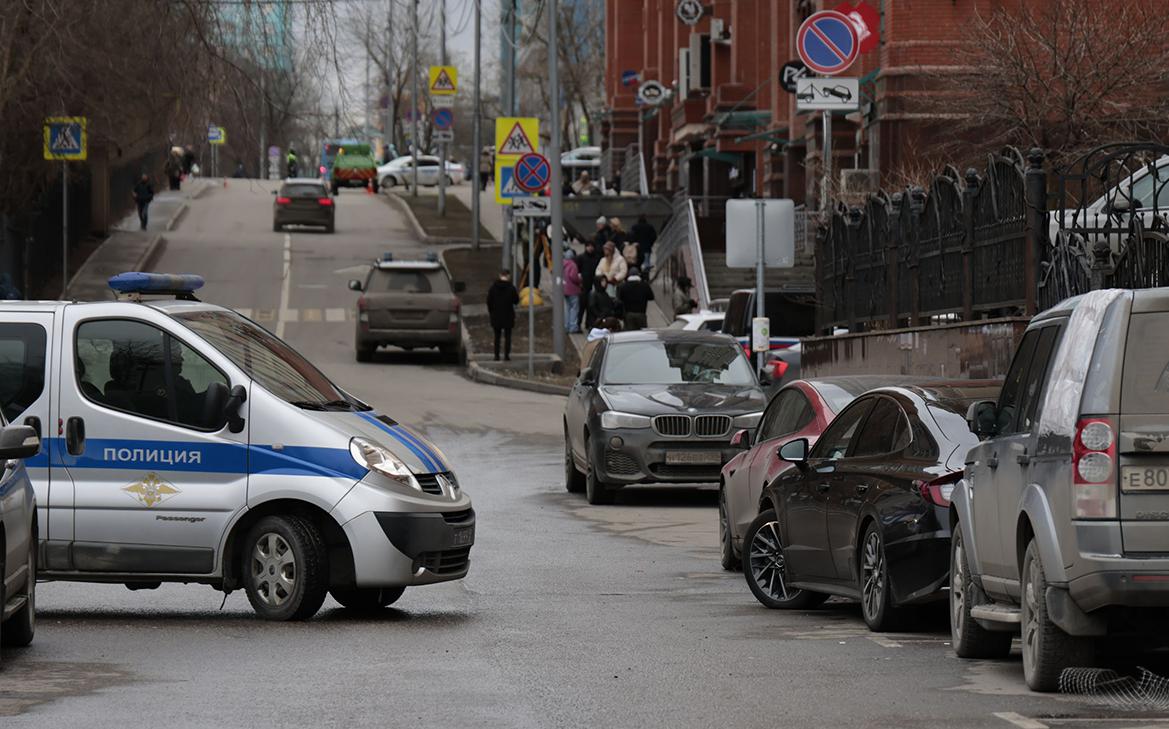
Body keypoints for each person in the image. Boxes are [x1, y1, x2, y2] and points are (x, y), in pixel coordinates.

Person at [486, 270, 519, 362]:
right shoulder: (511, 288)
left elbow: (489, 301)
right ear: (508, 276)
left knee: (497, 336)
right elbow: (516, 300)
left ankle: (496, 356)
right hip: (508, 315)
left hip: (496, 315)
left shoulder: (493, 288)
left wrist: (491, 311)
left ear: (500, 275)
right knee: (508, 336)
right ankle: (506, 356)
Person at [617, 267, 655, 331]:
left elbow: (620, 299)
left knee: (630, 334)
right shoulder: (644, 285)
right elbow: (651, 297)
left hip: (628, 315)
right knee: (642, 334)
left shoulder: (623, 286)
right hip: (641, 314)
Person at [575, 240, 600, 331]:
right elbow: (577, 271)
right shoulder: (580, 258)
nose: (590, 248)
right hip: (583, 286)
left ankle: (589, 324)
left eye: (592, 246)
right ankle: (578, 324)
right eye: (588, 246)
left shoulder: (596, 258)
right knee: (581, 306)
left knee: (591, 306)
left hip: (593, 285)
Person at [563, 249, 583, 334]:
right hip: (573, 289)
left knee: (567, 308)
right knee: (574, 308)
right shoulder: (572, 265)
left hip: (564, 289)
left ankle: (566, 326)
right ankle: (573, 327)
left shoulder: (562, 264)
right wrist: (580, 280)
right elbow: (573, 277)